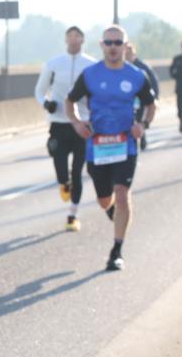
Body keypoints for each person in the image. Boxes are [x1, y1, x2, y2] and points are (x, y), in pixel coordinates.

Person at [65, 25, 156, 271]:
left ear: (126, 46)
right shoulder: (90, 75)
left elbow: (151, 104)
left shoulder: (136, 75)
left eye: (118, 43)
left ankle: (116, 250)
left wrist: (143, 125)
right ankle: (115, 213)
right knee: (105, 200)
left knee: (122, 193)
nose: (113, 47)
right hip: (98, 145)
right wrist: (76, 123)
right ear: (102, 45)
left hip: (125, 143)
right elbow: (70, 101)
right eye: (109, 42)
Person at [34, 25, 96, 232]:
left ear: (83, 40)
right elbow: (39, 91)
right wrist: (46, 103)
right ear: (66, 39)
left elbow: (96, 94)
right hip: (59, 123)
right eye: (70, 36)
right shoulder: (53, 64)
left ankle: (72, 215)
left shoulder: (91, 65)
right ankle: (63, 182)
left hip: (82, 124)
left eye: (77, 36)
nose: (73, 39)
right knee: (61, 166)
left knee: (78, 170)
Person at [124, 42, 160, 150]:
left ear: (134, 53)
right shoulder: (119, 67)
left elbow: (153, 82)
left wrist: (155, 98)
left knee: (139, 118)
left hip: (140, 99)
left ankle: (142, 137)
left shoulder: (142, 68)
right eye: (126, 52)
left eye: (130, 52)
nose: (128, 55)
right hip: (126, 100)